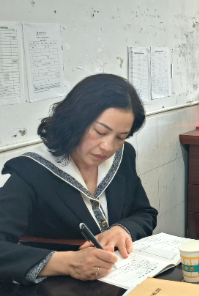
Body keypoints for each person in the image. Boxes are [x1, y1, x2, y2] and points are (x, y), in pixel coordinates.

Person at [0, 74, 157, 284]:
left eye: (120, 137)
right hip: (58, 293)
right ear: (75, 121)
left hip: (119, 282)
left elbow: (144, 213)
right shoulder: (29, 172)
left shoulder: (123, 156)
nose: (108, 147)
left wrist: (122, 229)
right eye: (100, 132)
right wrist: (67, 263)